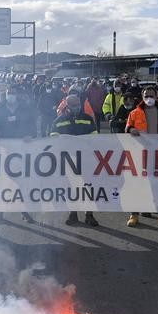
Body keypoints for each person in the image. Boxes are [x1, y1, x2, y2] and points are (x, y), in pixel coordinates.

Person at [125, 86, 158, 228]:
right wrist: (131, 129)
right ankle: (134, 214)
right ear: (142, 97)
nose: (149, 98)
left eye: (151, 95)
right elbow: (128, 127)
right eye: (146, 95)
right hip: (140, 154)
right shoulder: (135, 113)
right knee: (137, 185)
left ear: (156, 96)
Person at [0, 85, 37, 224]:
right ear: (5, 93)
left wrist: (30, 135)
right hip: (3, 150)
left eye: (13, 93)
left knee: (21, 183)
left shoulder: (25, 108)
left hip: (20, 151)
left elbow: (33, 127)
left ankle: (24, 212)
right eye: (8, 92)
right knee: (2, 182)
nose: (10, 95)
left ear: (18, 95)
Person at [50, 94, 100, 226]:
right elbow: (53, 138)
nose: (77, 108)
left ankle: (89, 215)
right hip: (68, 159)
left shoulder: (88, 119)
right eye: (74, 106)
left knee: (87, 188)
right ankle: (73, 214)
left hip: (85, 159)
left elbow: (94, 137)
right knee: (71, 187)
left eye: (78, 105)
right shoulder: (58, 121)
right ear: (67, 106)